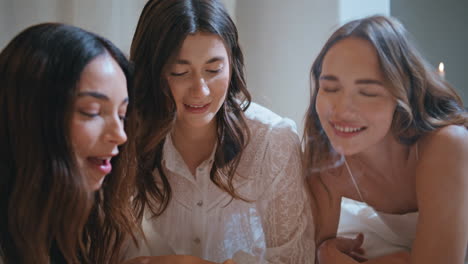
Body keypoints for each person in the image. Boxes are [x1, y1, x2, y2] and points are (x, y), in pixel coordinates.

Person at [121, 0, 315, 263]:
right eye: (180, 72)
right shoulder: (123, 137)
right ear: (152, 72)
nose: (200, 90)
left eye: (214, 70)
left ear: (233, 64)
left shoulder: (272, 141)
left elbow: (294, 259)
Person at [303, 15, 468, 264]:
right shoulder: (326, 161)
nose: (341, 111)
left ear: (403, 96)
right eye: (330, 88)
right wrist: (323, 252)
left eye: (368, 93)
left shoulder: (446, 145)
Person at [0, 23, 138, 264]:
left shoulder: (82, 223)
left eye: (122, 114)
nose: (120, 135)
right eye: (92, 112)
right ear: (32, 116)